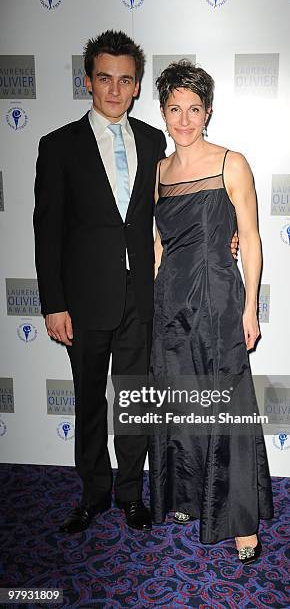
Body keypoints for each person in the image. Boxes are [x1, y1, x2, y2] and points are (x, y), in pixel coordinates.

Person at [33, 30, 167, 533]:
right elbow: (47, 231)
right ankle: (94, 494)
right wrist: (53, 303)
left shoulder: (155, 141)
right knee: (89, 400)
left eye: (125, 80)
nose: (114, 89)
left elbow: (171, 209)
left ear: (136, 86)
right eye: (105, 78)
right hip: (85, 301)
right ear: (88, 80)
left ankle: (132, 493)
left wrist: (224, 238)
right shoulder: (58, 146)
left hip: (141, 298)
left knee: (134, 401)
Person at [149, 60, 274, 564]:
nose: (183, 119)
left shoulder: (231, 163)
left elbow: (253, 238)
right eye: (174, 109)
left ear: (208, 112)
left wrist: (251, 308)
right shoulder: (158, 171)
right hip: (169, 302)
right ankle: (185, 495)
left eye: (193, 109)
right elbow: (158, 243)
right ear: (162, 112)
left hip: (219, 298)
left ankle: (241, 522)